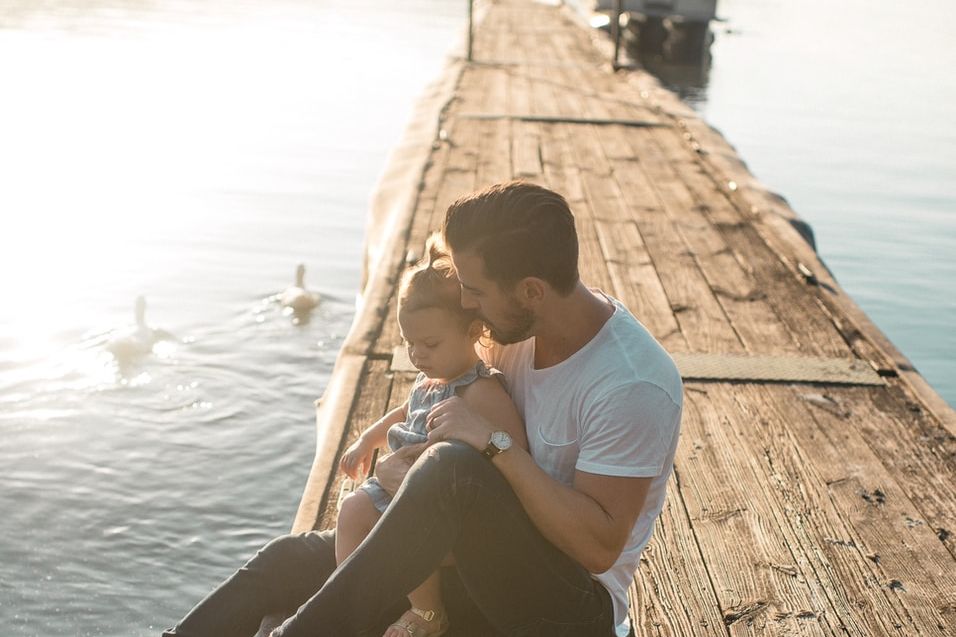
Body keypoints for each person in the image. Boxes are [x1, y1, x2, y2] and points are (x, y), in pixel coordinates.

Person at [163, 181, 682, 637]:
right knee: (287, 561)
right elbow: (444, 396)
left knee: (451, 468)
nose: (467, 305)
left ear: (531, 292)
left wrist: (493, 446)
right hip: (466, 557)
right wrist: (398, 465)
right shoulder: (513, 328)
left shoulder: (631, 384)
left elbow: (597, 548)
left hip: (565, 609)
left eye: (474, 292)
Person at [335, 236, 527, 637]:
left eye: (430, 343)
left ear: (474, 330)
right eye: (409, 344)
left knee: (397, 529)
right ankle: (350, 599)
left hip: (441, 506)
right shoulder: (430, 379)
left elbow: (514, 452)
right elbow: (403, 412)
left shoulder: (480, 390)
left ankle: (428, 612)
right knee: (351, 511)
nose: (417, 355)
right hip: (399, 484)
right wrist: (367, 440)